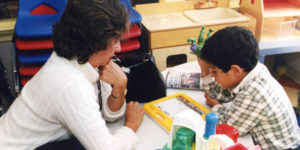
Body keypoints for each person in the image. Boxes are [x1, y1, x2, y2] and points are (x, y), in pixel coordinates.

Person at [0, 0, 144, 149]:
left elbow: (108, 115)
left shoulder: (76, 58)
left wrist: (119, 86)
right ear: (95, 45)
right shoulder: (71, 84)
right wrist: (130, 127)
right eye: (115, 41)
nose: (119, 47)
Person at [196, 26, 300, 149]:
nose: (212, 76)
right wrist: (204, 69)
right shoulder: (253, 69)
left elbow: (225, 128)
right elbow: (218, 94)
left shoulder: (254, 93)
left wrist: (217, 106)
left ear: (235, 70)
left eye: (214, 72)